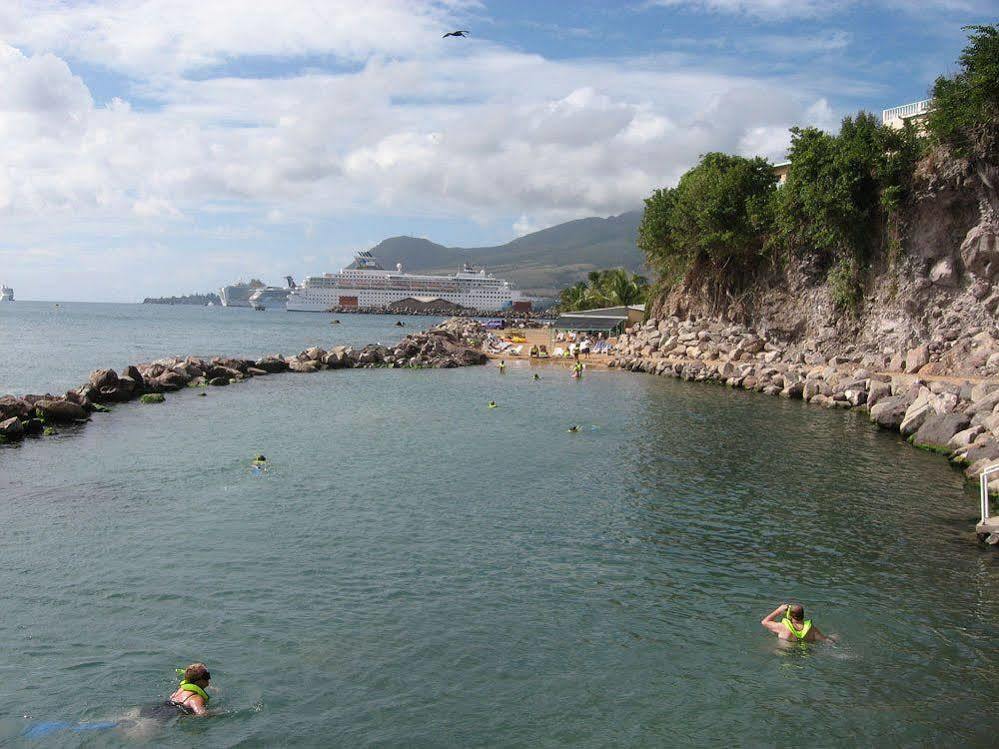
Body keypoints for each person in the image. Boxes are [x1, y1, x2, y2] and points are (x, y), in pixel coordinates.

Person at [140, 663, 212, 718]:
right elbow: (201, 714)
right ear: (198, 682)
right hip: (167, 715)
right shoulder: (196, 698)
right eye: (206, 676)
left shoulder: (181, 689)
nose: (209, 679)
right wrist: (218, 713)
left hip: (158, 707)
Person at [761, 603, 832, 643]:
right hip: (805, 654)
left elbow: (764, 622)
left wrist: (779, 610)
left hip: (785, 653)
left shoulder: (782, 627)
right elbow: (825, 640)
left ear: (789, 615)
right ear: (803, 615)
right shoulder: (811, 629)